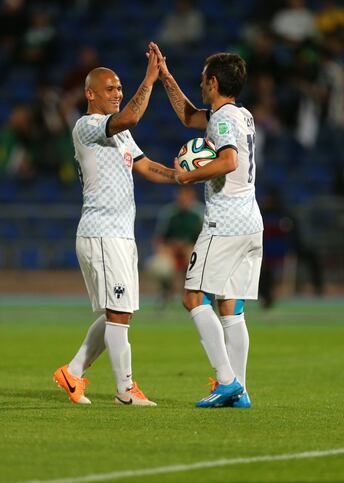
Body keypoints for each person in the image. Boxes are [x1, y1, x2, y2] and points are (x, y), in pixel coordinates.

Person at [53, 47, 177, 406]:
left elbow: (146, 166)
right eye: (110, 88)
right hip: (102, 230)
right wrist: (150, 79)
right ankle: (126, 389)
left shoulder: (119, 133)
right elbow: (129, 118)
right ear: (90, 93)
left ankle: (73, 372)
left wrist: (186, 176)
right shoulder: (88, 125)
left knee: (119, 312)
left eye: (119, 87)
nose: (118, 93)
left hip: (121, 233)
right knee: (118, 312)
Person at [151, 42, 263, 408]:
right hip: (250, 219)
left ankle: (227, 381)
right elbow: (187, 116)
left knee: (192, 297)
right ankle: (241, 391)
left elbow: (228, 161)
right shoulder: (240, 114)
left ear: (213, 82)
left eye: (202, 79)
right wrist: (166, 77)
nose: (200, 84)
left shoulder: (224, 120)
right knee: (231, 306)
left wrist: (188, 176)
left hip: (226, 220)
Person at [148, 186, 204, 306]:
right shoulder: (169, 212)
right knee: (159, 265)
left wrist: (190, 247)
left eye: (186, 195)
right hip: (171, 250)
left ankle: (196, 295)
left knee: (195, 259)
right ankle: (166, 293)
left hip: (193, 250)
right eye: (180, 195)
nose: (183, 198)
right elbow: (159, 238)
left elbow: (205, 238)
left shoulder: (200, 213)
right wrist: (164, 249)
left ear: (192, 197)